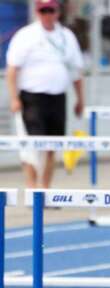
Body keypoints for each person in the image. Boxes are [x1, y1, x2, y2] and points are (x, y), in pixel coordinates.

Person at [5, 0, 84, 189]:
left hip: (57, 97)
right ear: (38, 12)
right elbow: (12, 69)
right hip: (32, 98)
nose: (47, 15)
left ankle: (45, 189)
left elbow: (76, 71)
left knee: (52, 146)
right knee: (32, 145)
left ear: (58, 12)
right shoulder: (26, 35)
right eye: (43, 11)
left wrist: (81, 99)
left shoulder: (66, 36)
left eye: (51, 10)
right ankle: (33, 188)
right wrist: (14, 98)